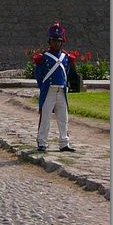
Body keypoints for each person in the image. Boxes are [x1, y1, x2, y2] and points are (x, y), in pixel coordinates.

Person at [33, 22, 76, 152]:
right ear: (50, 41)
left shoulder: (65, 57)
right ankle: (42, 142)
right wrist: (44, 87)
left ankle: (64, 142)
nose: (57, 43)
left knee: (63, 118)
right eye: (54, 41)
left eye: (59, 41)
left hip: (61, 90)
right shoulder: (43, 57)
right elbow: (39, 75)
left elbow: (66, 72)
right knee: (45, 117)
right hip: (49, 90)